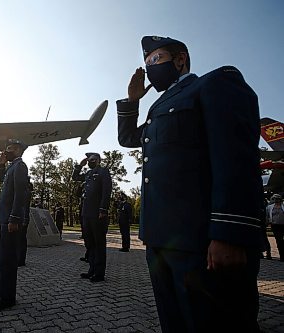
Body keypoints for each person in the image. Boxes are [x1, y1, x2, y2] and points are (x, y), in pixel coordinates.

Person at [116, 35, 262, 332]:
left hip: (201, 243)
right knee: (176, 324)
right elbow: (128, 139)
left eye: (155, 59)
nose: (149, 67)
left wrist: (229, 233)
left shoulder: (213, 84)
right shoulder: (157, 109)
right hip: (160, 241)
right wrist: (132, 103)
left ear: (180, 59)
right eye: (146, 63)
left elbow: (234, 158)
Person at [0, 139, 29, 311]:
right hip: (4, 219)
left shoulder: (20, 166)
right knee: (3, 259)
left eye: (9, 149)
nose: (6, 151)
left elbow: (20, 195)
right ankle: (2, 291)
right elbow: (1, 180)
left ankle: (8, 298)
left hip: (10, 220)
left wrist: (14, 218)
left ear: (18, 149)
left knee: (9, 260)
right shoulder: (12, 167)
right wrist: (1, 165)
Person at [72, 153, 112, 282]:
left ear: (99, 161)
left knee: (98, 243)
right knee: (89, 243)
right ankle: (92, 270)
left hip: (97, 213)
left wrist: (103, 209)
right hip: (86, 213)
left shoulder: (103, 172)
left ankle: (99, 273)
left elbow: (106, 191)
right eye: (89, 160)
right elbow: (75, 177)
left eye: (93, 160)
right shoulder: (88, 174)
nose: (90, 162)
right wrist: (80, 165)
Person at [18, 180, 33, 266]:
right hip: (24, 217)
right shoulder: (26, 191)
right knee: (21, 239)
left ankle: (21, 260)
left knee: (21, 240)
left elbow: (23, 206)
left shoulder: (26, 192)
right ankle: (20, 259)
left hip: (23, 218)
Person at [267, 194, 284, 261]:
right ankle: (282, 255)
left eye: (277, 198)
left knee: (282, 241)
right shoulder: (270, 207)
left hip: (283, 225)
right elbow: (268, 215)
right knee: (279, 240)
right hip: (275, 225)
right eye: (274, 199)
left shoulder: (283, 206)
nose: (276, 200)